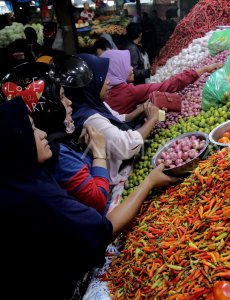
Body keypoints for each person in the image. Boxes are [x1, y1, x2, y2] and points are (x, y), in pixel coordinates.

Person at [0, 97, 178, 299]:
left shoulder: (18, 183)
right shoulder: (38, 195)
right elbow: (102, 226)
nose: (43, 134)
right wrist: (149, 182)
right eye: (32, 129)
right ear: (15, 141)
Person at [0, 59, 110, 212]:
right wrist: (100, 153)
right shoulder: (57, 153)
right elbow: (98, 200)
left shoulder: (58, 140)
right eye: (62, 97)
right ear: (48, 106)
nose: (69, 102)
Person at [64, 53, 160, 185]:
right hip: (109, 182)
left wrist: (142, 109)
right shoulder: (90, 119)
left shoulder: (94, 103)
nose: (108, 81)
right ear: (90, 83)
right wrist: (152, 119)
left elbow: (117, 117)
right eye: (102, 77)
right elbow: (126, 146)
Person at [100, 49, 223, 114]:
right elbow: (169, 85)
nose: (132, 68)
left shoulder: (104, 91)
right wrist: (204, 69)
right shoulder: (128, 92)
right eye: (126, 65)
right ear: (116, 69)